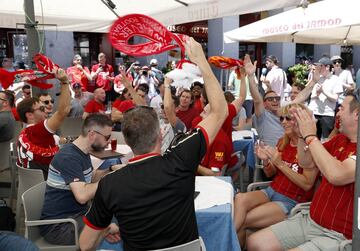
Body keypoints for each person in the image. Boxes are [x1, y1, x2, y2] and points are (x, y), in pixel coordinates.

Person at [79, 37, 229, 251]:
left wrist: (107, 229)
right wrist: (202, 62)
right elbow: (221, 110)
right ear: (160, 134)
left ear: (128, 141)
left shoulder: (109, 184)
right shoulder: (182, 157)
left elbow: (84, 246)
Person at [247, 89, 358, 251]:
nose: (337, 113)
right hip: (310, 220)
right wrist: (301, 135)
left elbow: (336, 175)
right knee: (254, 242)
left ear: (357, 114)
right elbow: (306, 162)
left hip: (337, 234)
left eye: (341, 108)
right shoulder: (340, 140)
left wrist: (311, 137)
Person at [233, 103, 318, 248]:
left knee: (242, 219)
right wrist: (266, 161)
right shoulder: (283, 142)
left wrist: (279, 164)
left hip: (291, 201)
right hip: (272, 190)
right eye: (282, 118)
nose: (284, 122)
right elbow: (270, 173)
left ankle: (222, 240)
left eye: (288, 118)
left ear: (300, 121)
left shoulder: (311, 147)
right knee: (240, 198)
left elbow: (307, 184)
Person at [40, 113, 117, 245]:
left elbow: (91, 177)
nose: (109, 141)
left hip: (77, 217)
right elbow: (82, 195)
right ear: (92, 134)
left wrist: (111, 170)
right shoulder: (69, 157)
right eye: (107, 137)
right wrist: (109, 180)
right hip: (60, 227)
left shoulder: (81, 151)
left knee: (121, 216)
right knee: (120, 227)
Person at [16, 69, 71, 179]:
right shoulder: (38, 131)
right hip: (49, 188)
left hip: (32, 186)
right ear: (30, 115)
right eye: (41, 108)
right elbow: (64, 111)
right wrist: (65, 82)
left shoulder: (25, 132)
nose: (46, 110)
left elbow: (58, 139)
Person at [308, 57, 343, 140]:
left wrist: (323, 91)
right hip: (314, 113)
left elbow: (335, 98)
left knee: (327, 141)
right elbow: (312, 96)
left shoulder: (336, 79)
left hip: (327, 115)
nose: (318, 68)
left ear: (327, 67)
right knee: (313, 140)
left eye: (321, 66)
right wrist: (317, 94)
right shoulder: (318, 79)